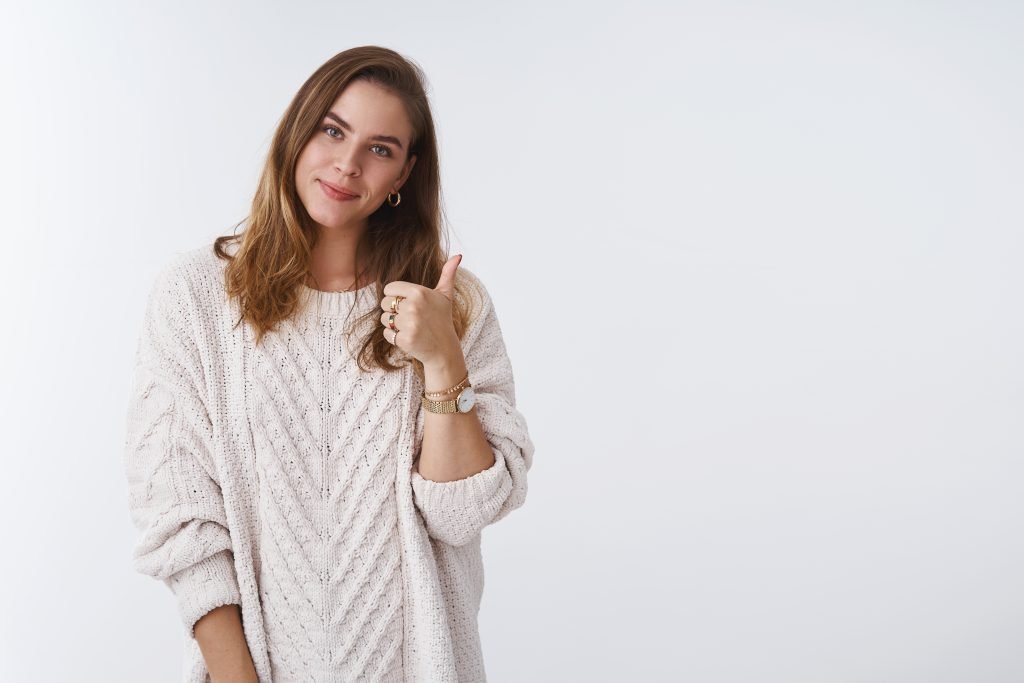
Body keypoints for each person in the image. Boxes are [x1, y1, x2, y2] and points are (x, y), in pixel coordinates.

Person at [122, 45, 535, 683]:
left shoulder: (449, 303)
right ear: (297, 133)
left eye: (380, 148)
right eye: (333, 131)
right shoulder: (195, 296)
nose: (347, 163)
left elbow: (461, 516)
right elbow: (179, 520)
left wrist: (442, 358)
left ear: (404, 175)